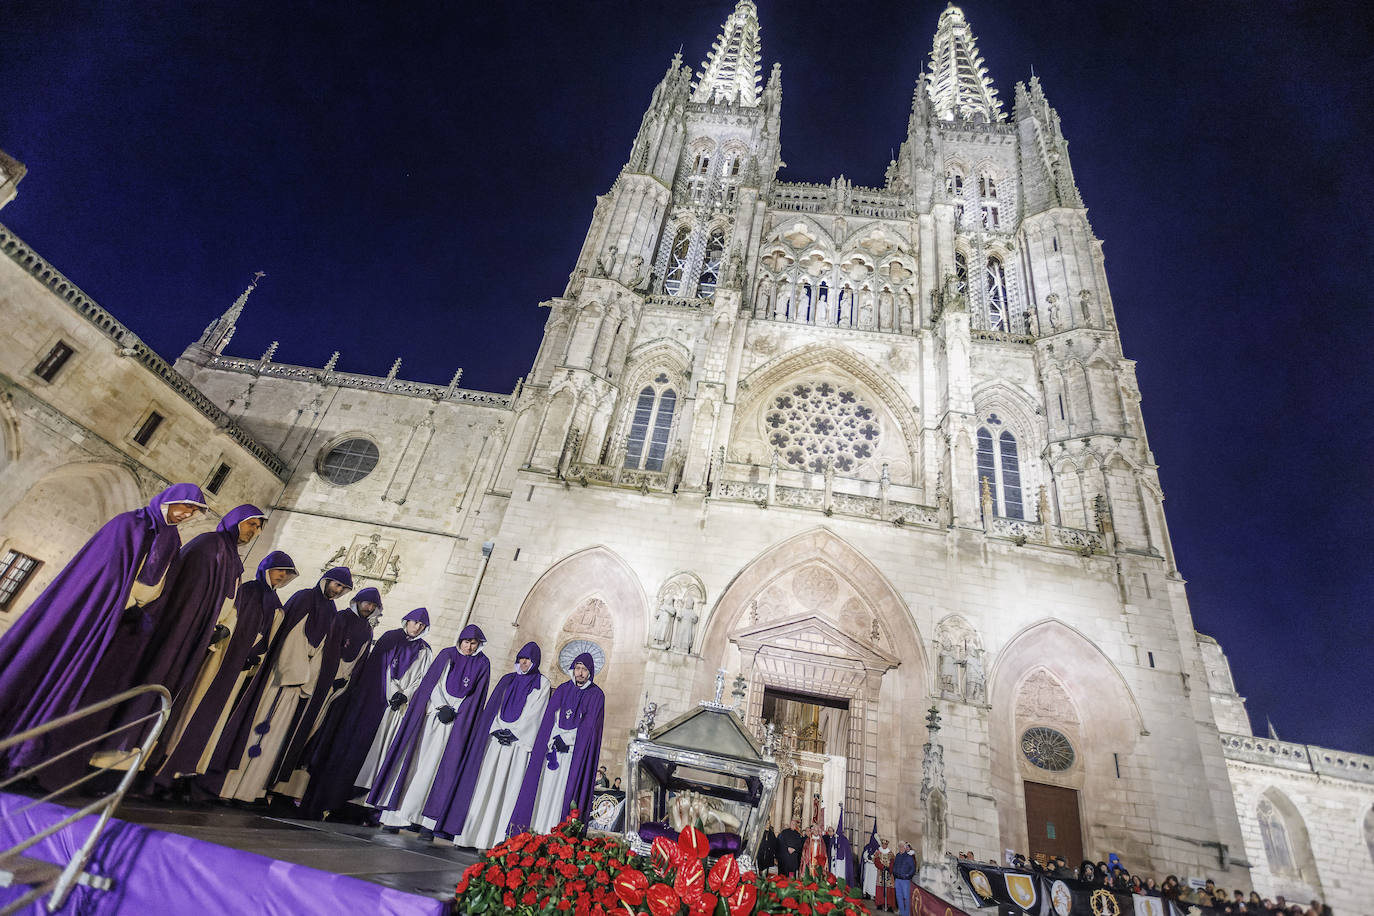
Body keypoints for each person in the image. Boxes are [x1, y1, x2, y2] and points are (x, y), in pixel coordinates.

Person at [0, 483, 206, 783]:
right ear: (168, 501)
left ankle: (48, 767)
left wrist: (142, 607)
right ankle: (22, 753)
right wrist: (120, 601)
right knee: (56, 677)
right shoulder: (129, 524)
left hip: (123, 630)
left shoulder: (172, 539)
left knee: (87, 696)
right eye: (185, 506)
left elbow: (160, 582)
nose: (187, 514)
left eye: (194, 511)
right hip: (92, 620)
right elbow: (105, 573)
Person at [93, 504, 267, 766]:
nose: (254, 531)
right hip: (176, 633)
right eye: (251, 524)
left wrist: (221, 625)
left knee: (164, 695)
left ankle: (130, 762)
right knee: (148, 688)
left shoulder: (232, 559)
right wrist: (194, 622)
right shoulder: (209, 545)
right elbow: (186, 589)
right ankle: (108, 759)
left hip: (196, 637)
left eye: (258, 528)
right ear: (235, 521)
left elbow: (228, 599)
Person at [149, 551, 297, 792]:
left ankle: (188, 775)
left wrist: (257, 653)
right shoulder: (249, 591)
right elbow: (237, 623)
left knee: (215, 724)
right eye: (280, 570)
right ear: (267, 568)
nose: (282, 576)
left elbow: (266, 634)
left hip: (240, 671)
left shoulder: (275, 603)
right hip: (222, 662)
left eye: (287, 574)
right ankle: (165, 772)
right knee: (194, 712)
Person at [211, 567, 353, 802]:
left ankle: (252, 791)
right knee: (257, 729)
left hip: (300, 683)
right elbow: (291, 638)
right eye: (336, 585)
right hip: (280, 677)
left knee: (274, 740)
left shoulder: (331, 611)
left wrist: (310, 678)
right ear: (326, 581)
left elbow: (324, 650)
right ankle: (228, 787)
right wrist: (296, 671)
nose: (337, 591)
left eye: (342, 588)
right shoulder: (304, 598)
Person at [297, 607, 432, 819]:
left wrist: (405, 695)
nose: (417, 627)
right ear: (406, 621)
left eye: (422, 625)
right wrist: (393, 692)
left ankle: (361, 808)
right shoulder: (390, 638)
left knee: (379, 755)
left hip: (396, 711)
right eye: (414, 622)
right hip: (375, 702)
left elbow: (421, 679)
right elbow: (383, 668)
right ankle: (333, 802)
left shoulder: (425, 650)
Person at [369, 624, 490, 838]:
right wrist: (441, 706)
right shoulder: (447, 654)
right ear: (460, 640)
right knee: (415, 763)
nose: (469, 646)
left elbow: (476, 696)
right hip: (431, 716)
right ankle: (398, 816)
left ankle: (426, 823)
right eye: (466, 641)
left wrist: (457, 713)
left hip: (454, 724)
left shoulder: (482, 663)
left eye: (474, 643)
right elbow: (433, 683)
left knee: (437, 770)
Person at [273, 585, 381, 799]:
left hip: (339, 690)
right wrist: (334, 675)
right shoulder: (340, 618)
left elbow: (359, 659)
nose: (369, 607)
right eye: (367, 602)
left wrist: (346, 682)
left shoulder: (368, 630)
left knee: (317, 734)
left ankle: (292, 788)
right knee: (301, 727)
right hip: (322, 682)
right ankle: (277, 781)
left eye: (373, 605)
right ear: (357, 601)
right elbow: (330, 649)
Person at [442, 642, 550, 847]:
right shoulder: (507, 679)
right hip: (495, 741)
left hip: (517, 746)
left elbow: (536, 712)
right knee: (484, 785)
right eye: (521, 658)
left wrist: (515, 732)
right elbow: (494, 708)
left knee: (507, 791)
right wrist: (497, 727)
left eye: (528, 659)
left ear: (535, 661)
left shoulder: (541, 683)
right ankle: (470, 836)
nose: (524, 662)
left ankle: (496, 840)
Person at [508, 652, 605, 834]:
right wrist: (554, 738)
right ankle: (534, 832)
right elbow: (550, 718)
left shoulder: (596, 695)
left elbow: (590, 727)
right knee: (542, 791)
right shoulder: (562, 689)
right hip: (551, 751)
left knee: (562, 795)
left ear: (590, 672)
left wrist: (567, 740)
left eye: (584, 670)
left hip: (572, 756)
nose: (580, 673)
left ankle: (554, 835)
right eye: (577, 668)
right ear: (573, 669)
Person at [892, 841, 916, 916]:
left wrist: (908, 875)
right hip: (898, 880)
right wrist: (894, 872)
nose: (901, 848)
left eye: (902, 847)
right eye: (899, 846)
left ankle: (907, 913)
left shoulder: (909, 857)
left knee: (906, 897)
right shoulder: (897, 856)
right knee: (899, 897)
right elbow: (895, 866)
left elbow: (913, 868)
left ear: (905, 848)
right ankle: (902, 912)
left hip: (905, 881)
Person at [873, 836, 896, 912]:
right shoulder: (878, 852)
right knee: (880, 888)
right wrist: (882, 867)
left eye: (885, 844)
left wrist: (889, 868)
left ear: (887, 845)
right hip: (880, 873)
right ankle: (880, 904)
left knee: (889, 889)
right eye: (883, 844)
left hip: (889, 874)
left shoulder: (891, 853)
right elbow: (876, 861)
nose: (884, 846)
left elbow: (893, 862)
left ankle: (889, 905)